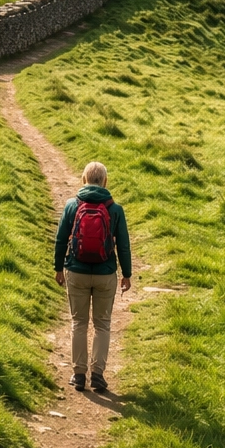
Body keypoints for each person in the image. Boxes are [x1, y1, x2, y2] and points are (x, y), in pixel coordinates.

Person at [54, 160, 131, 393]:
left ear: (83, 179)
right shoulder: (115, 210)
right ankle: (97, 375)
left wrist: (59, 269)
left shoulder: (71, 206)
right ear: (105, 181)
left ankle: (78, 375)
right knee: (102, 324)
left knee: (79, 323)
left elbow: (60, 240)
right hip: (105, 274)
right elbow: (124, 246)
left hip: (76, 272)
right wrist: (126, 275)